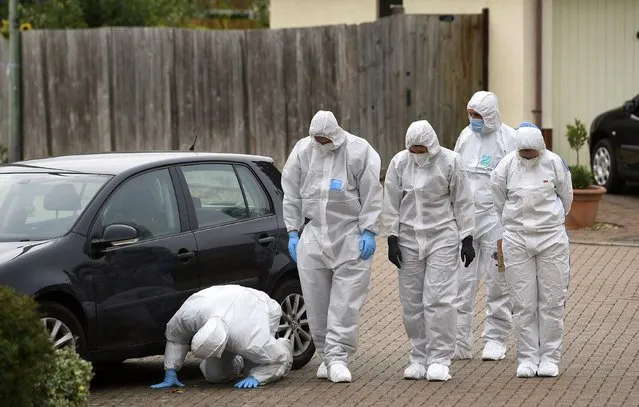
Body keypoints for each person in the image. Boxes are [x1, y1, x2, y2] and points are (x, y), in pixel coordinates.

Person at [281, 110, 383, 383]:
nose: (322, 143)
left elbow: (372, 192)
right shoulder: (303, 150)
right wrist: (292, 231)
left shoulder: (358, 150)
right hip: (313, 234)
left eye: (326, 139)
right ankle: (326, 355)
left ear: (336, 133)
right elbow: (290, 192)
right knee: (316, 303)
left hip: (349, 235)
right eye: (318, 139)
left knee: (345, 302)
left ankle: (338, 357)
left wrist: (369, 230)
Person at [382, 120, 476, 382]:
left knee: (439, 298)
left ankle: (440, 358)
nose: (418, 154)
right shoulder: (400, 163)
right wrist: (391, 236)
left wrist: (467, 236)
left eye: (423, 149)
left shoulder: (450, 162)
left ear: (433, 146)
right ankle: (418, 356)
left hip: (442, 237)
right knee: (412, 301)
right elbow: (390, 200)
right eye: (414, 149)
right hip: (409, 238)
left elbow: (463, 200)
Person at [490, 122, 573, 378]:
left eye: (531, 153)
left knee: (551, 301)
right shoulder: (505, 166)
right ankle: (527, 357)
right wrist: (514, 225)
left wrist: (552, 221)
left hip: (551, 238)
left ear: (540, 148)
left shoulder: (555, 163)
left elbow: (566, 197)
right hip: (516, 239)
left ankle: (549, 356)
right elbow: (498, 199)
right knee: (523, 302)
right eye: (523, 153)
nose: (527, 157)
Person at [452, 90, 517, 361]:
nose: (473, 120)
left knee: (497, 279)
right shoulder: (465, 137)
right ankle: (458, 342)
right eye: (470, 114)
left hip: (495, 219)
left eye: (478, 116)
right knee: (461, 282)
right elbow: (454, 174)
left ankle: (496, 338)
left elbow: (515, 179)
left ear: (490, 115)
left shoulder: (508, 139)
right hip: (467, 219)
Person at [150, 284, 293, 389]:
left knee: (259, 365)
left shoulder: (249, 341)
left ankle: (283, 345)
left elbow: (277, 360)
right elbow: (176, 337)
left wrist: (258, 376)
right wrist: (171, 370)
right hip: (222, 300)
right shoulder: (189, 317)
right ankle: (241, 360)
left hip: (261, 305)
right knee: (215, 376)